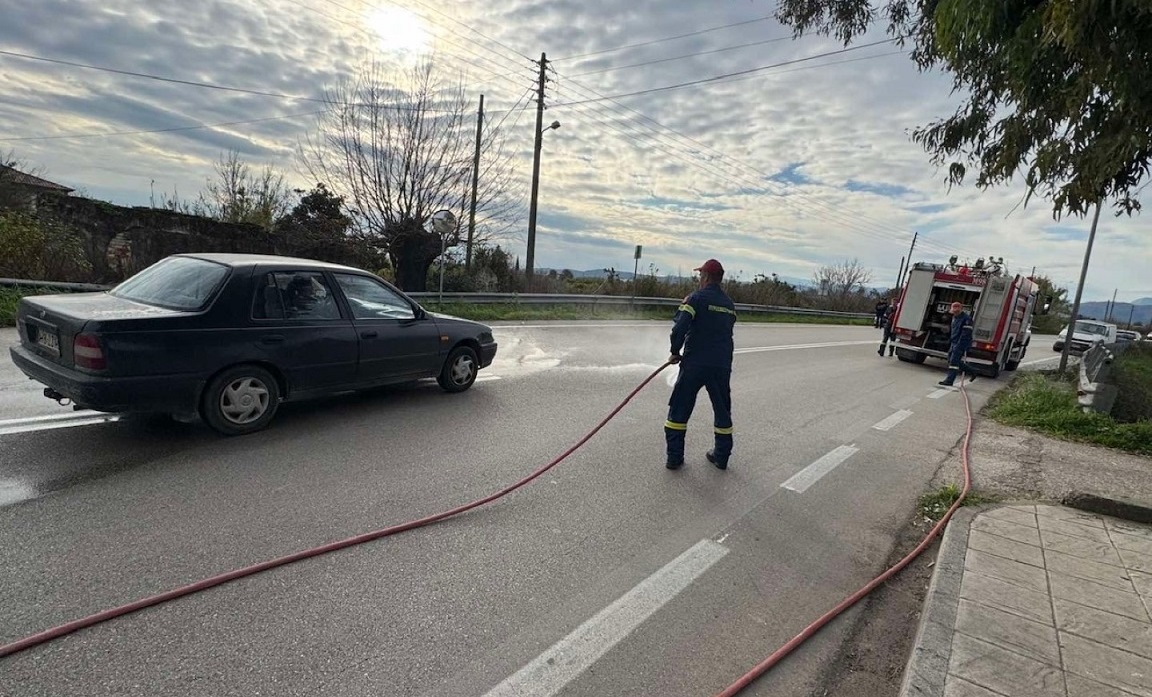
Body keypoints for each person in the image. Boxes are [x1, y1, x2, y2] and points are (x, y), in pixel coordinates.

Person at [665, 259, 737, 471]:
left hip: (695, 363)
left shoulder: (695, 299)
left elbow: (679, 327)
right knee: (722, 411)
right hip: (721, 365)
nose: (699, 279)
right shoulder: (729, 304)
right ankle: (721, 457)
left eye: (700, 275)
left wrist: (674, 352)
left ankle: (674, 457)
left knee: (679, 409)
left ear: (705, 277)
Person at [939, 301, 979, 386]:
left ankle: (949, 381)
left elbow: (966, 334)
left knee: (953, 362)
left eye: (956, 312)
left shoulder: (966, 319)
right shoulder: (954, 317)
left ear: (961, 310)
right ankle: (973, 371)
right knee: (951, 360)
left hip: (961, 343)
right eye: (954, 312)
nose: (955, 313)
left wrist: (959, 345)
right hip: (954, 342)